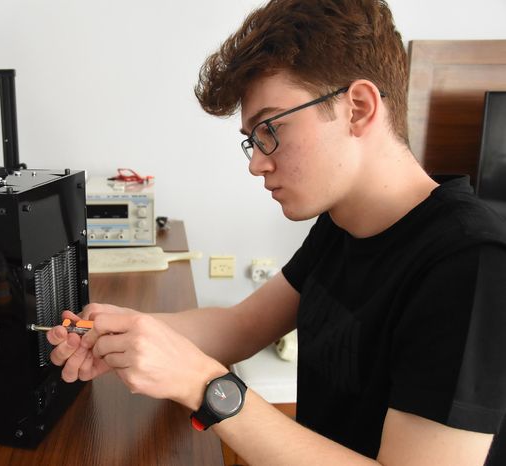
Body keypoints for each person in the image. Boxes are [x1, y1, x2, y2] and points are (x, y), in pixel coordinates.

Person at [48, 0, 506, 464]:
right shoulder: (342, 223)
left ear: (358, 108)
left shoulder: (472, 263)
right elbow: (242, 326)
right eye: (252, 140)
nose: (256, 163)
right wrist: (125, 333)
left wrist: (204, 386)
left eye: (270, 129)